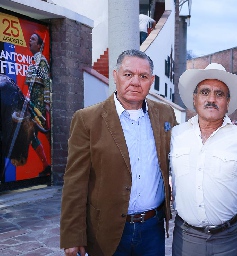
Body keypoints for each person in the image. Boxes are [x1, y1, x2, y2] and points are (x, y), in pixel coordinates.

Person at [60, 49, 177, 256]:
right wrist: (73, 235)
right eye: (128, 74)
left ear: (151, 80)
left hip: (153, 229)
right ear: (115, 76)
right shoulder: (87, 119)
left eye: (143, 76)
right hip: (106, 231)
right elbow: (75, 182)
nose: (135, 82)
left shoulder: (165, 114)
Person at [170, 63, 237, 256]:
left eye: (219, 94)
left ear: (228, 102)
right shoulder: (176, 135)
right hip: (186, 239)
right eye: (205, 92)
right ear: (194, 99)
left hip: (230, 239)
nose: (211, 99)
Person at [26, 33, 51, 177]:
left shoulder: (41, 61)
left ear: (39, 45)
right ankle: (46, 166)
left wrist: (46, 104)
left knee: (42, 133)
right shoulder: (34, 61)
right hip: (34, 102)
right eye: (30, 39)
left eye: (33, 39)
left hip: (40, 104)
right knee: (33, 135)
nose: (30, 40)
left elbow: (46, 83)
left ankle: (48, 166)